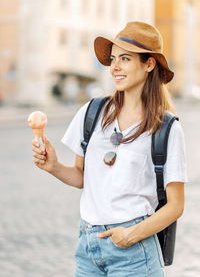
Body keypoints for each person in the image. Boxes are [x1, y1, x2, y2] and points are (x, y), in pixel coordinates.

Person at [32, 21, 187, 276]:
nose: (114, 66)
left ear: (149, 64)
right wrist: (54, 167)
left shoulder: (166, 128)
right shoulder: (92, 112)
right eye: (113, 58)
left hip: (135, 252)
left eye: (125, 59)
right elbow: (81, 176)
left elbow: (176, 206)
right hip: (88, 248)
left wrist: (130, 236)